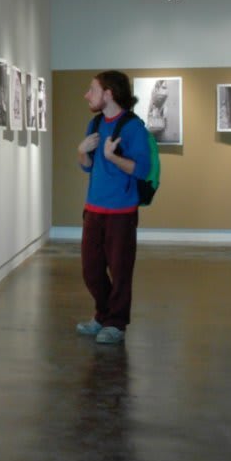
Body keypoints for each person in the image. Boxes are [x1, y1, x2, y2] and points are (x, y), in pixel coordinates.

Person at [75, 71, 152, 345]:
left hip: (121, 213)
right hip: (93, 210)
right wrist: (82, 151)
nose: (87, 95)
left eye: (92, 90)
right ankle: (103, 315)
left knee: (120, 272)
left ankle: (116, 323)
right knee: (91, 271)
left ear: (108, 93)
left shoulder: (133, 127)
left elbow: (141, 169)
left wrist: (112, 157)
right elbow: (86, 165)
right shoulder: (95, 123)